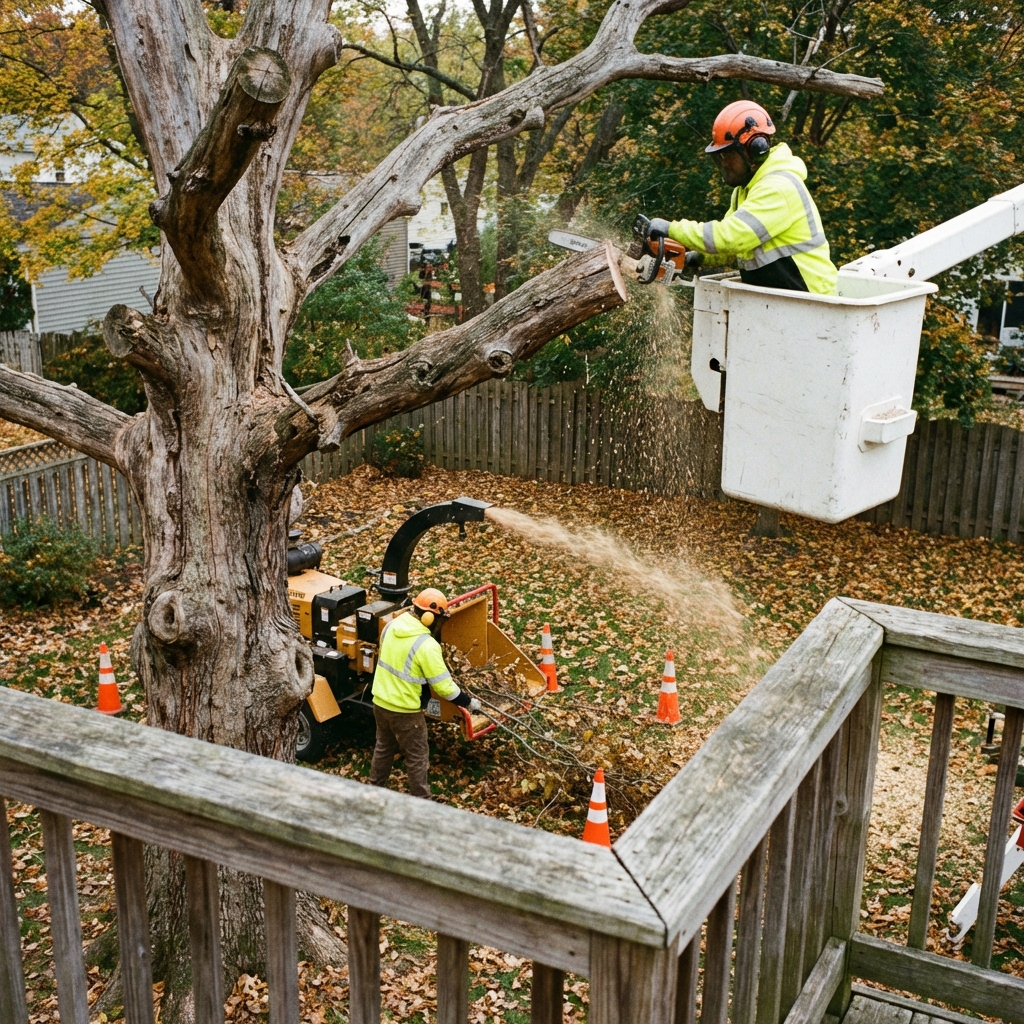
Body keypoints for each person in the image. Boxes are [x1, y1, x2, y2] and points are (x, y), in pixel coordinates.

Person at [645, 100, 837, 294]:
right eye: (720, 157)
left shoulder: (778, 188)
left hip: (811, 300)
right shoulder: (745, 189)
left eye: (728, 156)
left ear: (755, 150)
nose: (724, 164)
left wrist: (671, 229)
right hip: (783, 296)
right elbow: (731, 248)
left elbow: (730, 237)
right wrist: (692, 258)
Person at [369, 587, 475, 799]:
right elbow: (444, 687)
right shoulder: (426, 646)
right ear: (427, 617)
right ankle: (422, 801)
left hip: (380, 703)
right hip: (405, 711)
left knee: (383, 747)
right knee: (417, 755)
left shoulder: (391, 626)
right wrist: (469, 703)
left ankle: (373, 789)